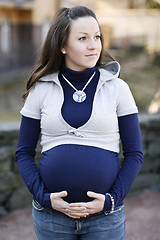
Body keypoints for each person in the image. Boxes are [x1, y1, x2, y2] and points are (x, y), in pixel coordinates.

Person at [15, 5, 143, 240]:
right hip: (51, 219)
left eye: (97, 37)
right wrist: (45, 198)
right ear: (62, 45)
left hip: (105, 219)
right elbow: (23, 153)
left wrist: (110, 200)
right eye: (83, 38)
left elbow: (135, 153)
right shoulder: (41, 89)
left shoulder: (117, 89)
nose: (94, 45)